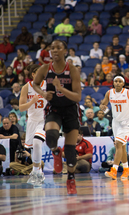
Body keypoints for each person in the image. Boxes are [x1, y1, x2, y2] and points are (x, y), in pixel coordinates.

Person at [33, 40, 82, 195]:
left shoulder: (72, 69)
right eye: (52, 48)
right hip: (54, 108)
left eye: (58, 48)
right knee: (51, 137)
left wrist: (60, 88)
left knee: (70, 153)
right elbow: (34, 83)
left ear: (64, 51)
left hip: (70, 110)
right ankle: (55, 152)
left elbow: (77, 97)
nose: (54, 50)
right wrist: (42, 93)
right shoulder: (45, 68)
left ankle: (71, 179)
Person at [99, 74, 129, 180]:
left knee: (118, 144)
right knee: (122, 147)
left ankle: (114, 170)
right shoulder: (109, 93)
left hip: (127, 122)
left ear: (123, 83)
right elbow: (104, 105)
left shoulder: (128, 92)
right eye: (116, 81)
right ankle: (126, 170)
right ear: (113, 83)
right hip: (116, 122)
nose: (118, 83)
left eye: (120, 81)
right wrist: (102, 106)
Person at [18, 64, 47, 185]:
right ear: (33, 75)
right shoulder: (26, 87)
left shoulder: (48, 85)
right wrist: (32, 102)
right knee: (34, 147)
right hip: (31, 121)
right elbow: (20, 107)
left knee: (37, 142)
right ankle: (39, 172)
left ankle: (36, 171)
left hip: (44, 119)